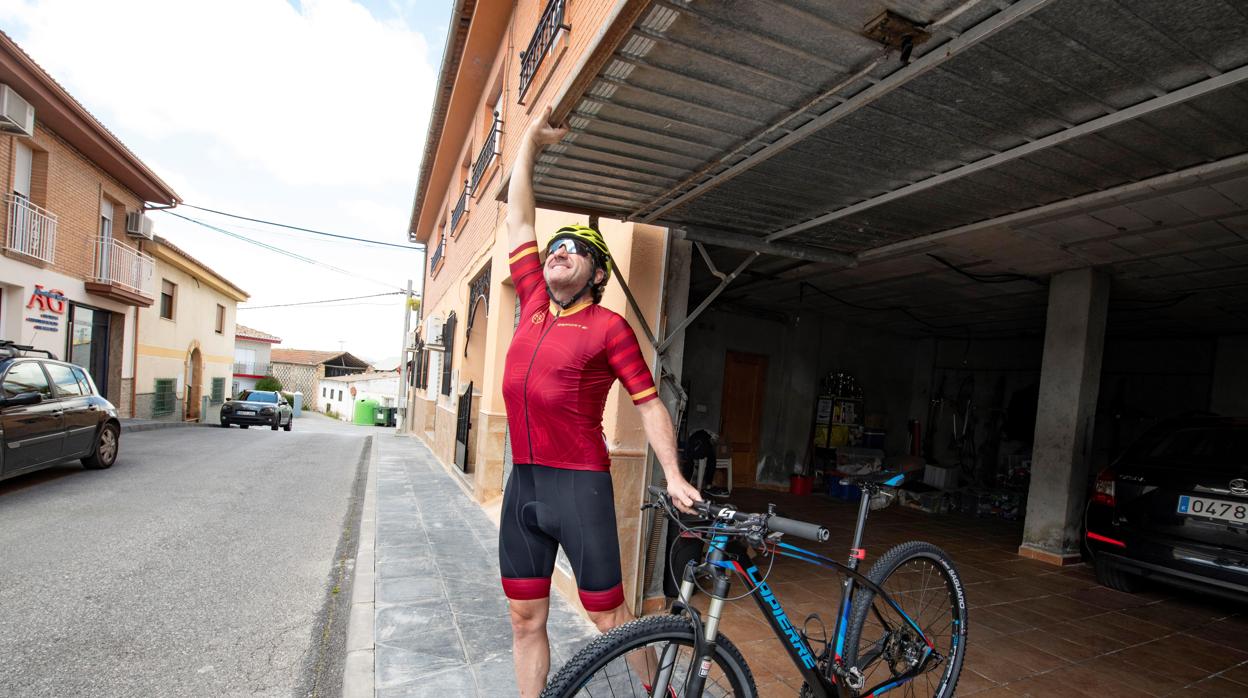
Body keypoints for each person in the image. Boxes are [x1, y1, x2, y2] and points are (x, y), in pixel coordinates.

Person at [500, 106, 702, 697]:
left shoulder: (608, 326)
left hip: (578, 485)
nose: (558, 250)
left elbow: (648, 403)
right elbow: (518, 220)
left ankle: (654, 694)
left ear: (596, 273)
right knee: (524, 617)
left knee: (609, 619)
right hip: (524, 486)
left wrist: (674, 473)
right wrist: (529, 146)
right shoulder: (534, 300)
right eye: (555, 245)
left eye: (576, 248)